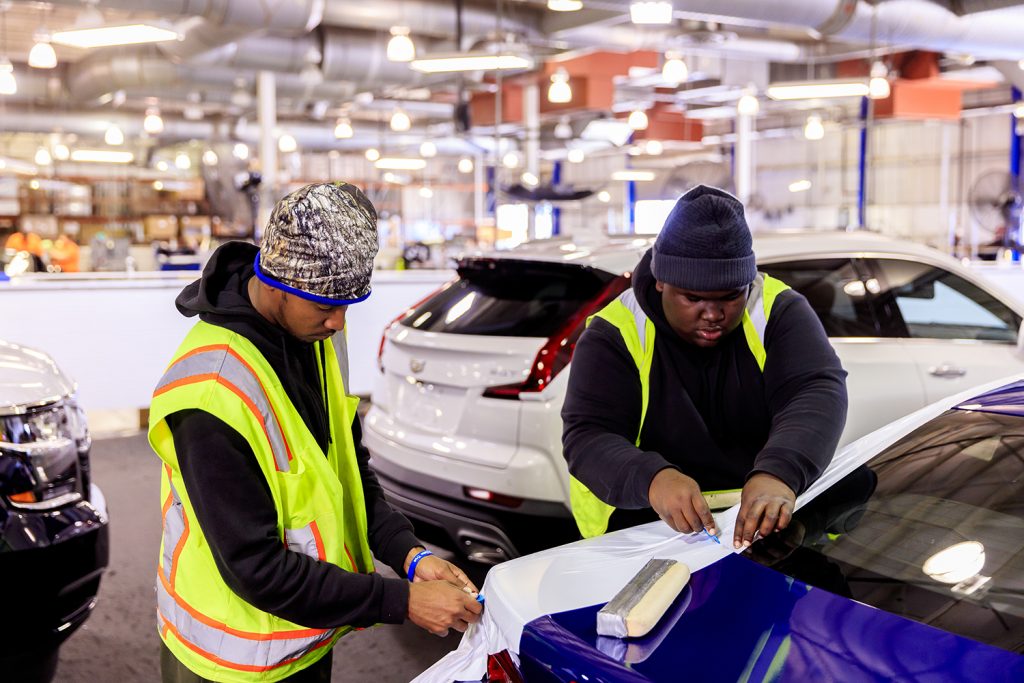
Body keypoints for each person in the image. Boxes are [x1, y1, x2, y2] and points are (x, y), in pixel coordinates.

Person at [148, 182, 482, 683]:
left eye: (349, 303)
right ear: (279, 282)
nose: (339, 321)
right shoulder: (212, 394)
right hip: (227, 657)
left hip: (302, 635)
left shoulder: (316, 335)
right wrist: (401, 601)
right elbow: (255, 568)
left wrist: (408, 555)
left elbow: (348, 471)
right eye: (326, 305)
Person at [561, 185, 848, 551]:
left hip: (762, 525)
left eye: (730, 296)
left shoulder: (779, 311)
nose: (713, 315)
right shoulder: (615, 332)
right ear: (661, 279)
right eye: (693, 298)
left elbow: (816, 391)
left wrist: (779, 472)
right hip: (640, 531)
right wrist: (652, 479)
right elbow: (588, 435)